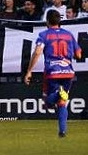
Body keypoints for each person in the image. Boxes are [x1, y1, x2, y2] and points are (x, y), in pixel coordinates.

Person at [24, 9, 82, 138]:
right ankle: (62, 131)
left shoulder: (44, 35)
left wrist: (29, 71)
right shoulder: (69, 35)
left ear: (47, 21)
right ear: (59, 21)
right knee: (62, 103)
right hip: (68, 72)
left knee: (48, 102)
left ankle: (57, 94)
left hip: (52, 72)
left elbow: (38, 52)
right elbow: (79, 54)